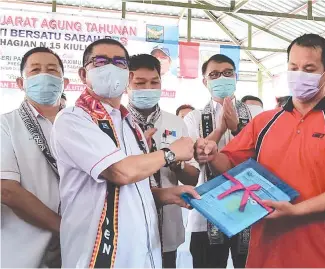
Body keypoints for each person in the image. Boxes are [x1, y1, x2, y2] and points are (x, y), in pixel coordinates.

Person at [194, 34, 325, 268]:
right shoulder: (265, 121)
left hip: (317, 251)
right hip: (263, 250)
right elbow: (229, 163)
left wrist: (296, 211)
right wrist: (211, 154)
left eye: (309, 69)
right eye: (293, 67)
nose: (299, 74)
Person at [50, 38, 198, 268]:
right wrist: (171, 152)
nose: (110, 67)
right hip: (98, 253)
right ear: (82, 74)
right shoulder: (74, 118)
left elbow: (131, 189)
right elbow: (119, 172)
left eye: (119, 63)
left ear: (127, 76)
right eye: (100, 62)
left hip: (141, 251)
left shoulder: (129, 124)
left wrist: (165, 195)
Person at [184, 54, 262, 268]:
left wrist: (238, 129)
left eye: (228, 73)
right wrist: (219, 130)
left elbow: (262, 155)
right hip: (206, 214)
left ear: (235, 77)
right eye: (215, 74)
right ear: (205, 81)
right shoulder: (194, 118)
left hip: (250, 211)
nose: (222, 78)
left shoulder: (256, 114)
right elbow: (195, 156)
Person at [126, 54, 200, 268]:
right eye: (139, 83)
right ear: (126, 85)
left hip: (168, 226)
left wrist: (175, 162)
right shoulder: (118, 123)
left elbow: (193, 177)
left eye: (154, 82)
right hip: (129, 226)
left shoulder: (175, 122)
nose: (148, 88)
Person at [1, 47, 68, 268]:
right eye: (35, 70)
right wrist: (65, 228)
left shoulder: (81, 126)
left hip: (79, 248)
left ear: (64, 82)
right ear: (21, 83)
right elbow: (7, 190)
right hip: (22, 249)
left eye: (52, 70)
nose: (44, 75)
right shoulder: (6, 125)